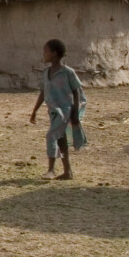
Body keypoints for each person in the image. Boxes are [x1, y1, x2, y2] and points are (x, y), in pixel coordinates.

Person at [30, 38, 86, 179]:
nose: (43, 54)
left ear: (54, 53)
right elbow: (43, 92)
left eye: (45, 51)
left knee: (51, 136)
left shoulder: (68, 72)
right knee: (61, 140)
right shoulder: (46, 73)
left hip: (65, 111)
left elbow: (76, 91)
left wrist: (75, 112)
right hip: (53, 111)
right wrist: (35, 111)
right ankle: (67, 172)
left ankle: (51, 170)